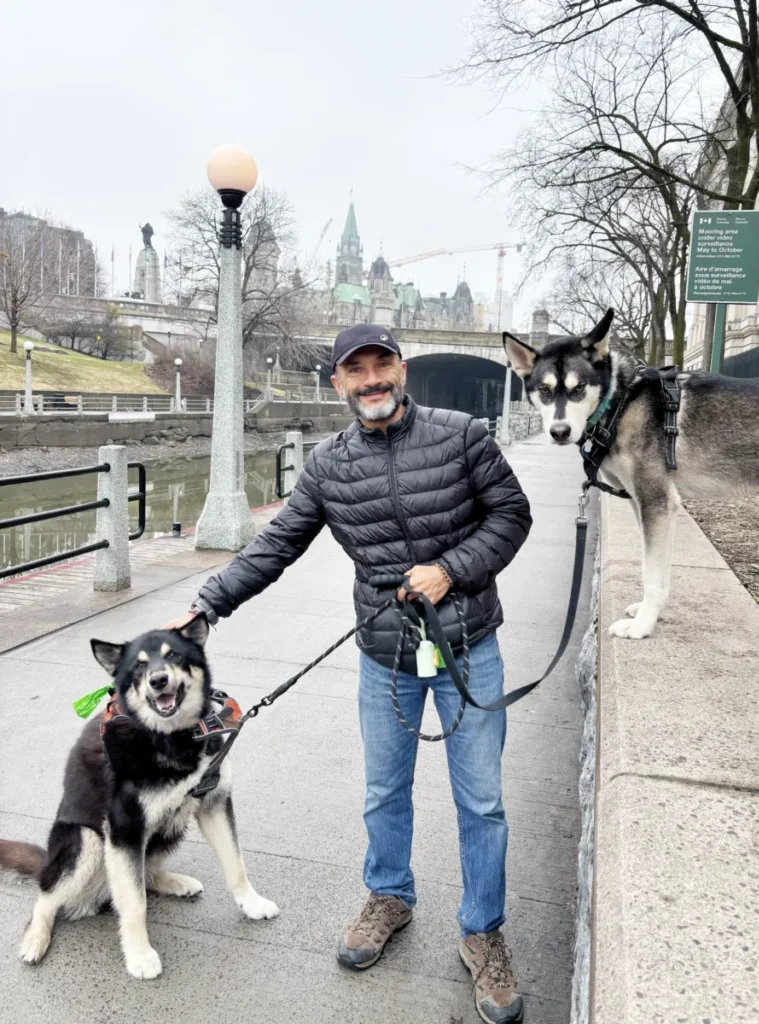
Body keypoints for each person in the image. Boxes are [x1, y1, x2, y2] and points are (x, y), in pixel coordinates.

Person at [168, 323, 532, 1024]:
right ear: (337, 383)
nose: (371, 380)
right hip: (386, 655)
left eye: (382, 365)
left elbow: (511, 515)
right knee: (383, 791)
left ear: (403, 369)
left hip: (469, 646)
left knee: (482, 801)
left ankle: (483, 932)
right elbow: (276, 545)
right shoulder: (330, 467)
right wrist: (208, 603)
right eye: (355, 370)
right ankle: (389, 895)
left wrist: (450, 570)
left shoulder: (462, 436)